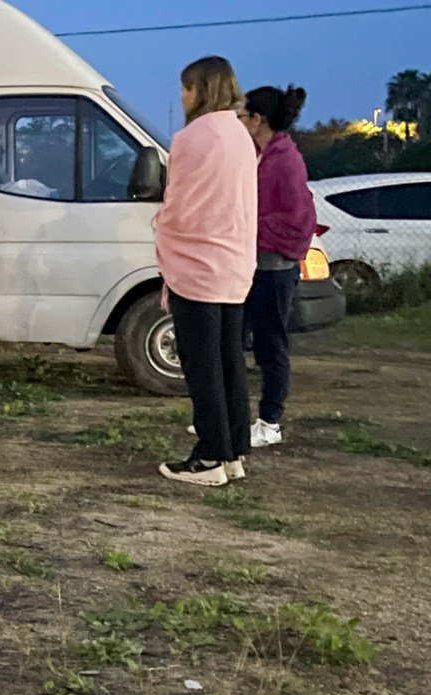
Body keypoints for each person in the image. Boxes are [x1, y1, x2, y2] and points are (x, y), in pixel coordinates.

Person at [154, 56, 258, 487]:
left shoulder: (193, 136)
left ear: (202, 90)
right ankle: (234, 450)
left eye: (185, 88)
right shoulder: (240, 134)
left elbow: (180, 204)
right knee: (229, 360)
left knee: (202, 365)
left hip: (197, 264)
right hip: (234, 263)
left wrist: (160, 227)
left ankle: (210, 456)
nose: (181, 97)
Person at [240, 84, 315, 450]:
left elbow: (299, 219)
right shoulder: (259, 154)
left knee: (271, 344)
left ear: (258, 119)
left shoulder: (285, 160)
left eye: (243, 115)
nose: (238, 121)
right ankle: (235, 418)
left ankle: (270, 422)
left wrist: (250, 224)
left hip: (275, 265)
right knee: (237, 339)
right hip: (253, 262)